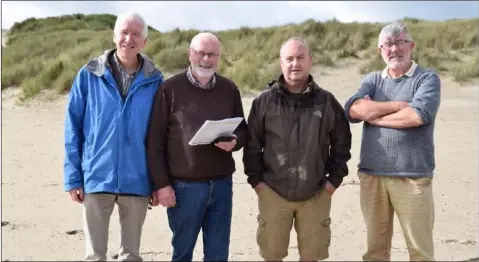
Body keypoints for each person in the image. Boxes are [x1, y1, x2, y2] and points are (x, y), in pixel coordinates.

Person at [63, 12, 163, 261]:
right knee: (95, 256)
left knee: (131, 256)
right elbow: (72, 127)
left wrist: (157, 181)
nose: (129, 39)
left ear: (145, 41)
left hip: (138, 179)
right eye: (124, 32)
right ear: (114, 35)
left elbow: (161, 135)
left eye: (136, 34)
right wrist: (73, 177)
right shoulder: (88, 75)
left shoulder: (156, 81)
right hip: (96, 176)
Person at [243, 37, 352, 261]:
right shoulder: (264, 102)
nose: (295, 64)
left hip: (316, 193)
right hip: (272, 193)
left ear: (310, 61)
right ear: (281, 63)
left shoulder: (327, 102)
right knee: (272, 254)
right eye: (289, 59)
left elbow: (342, 145)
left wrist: (332, 183)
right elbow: (252, 146)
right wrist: (258, 183)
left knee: (312, 256)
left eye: (300, 58)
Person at [146, 32, 248, 262]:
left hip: (222, 185)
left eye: (212, 54)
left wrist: (235, 142)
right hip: (184, 188)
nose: (206, 59)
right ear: (190, 54)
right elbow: (155, 142)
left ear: (219, 57)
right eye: (201, 53)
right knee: (182, 253)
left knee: (218, 254)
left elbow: (243, 130)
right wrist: (162, 185)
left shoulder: (229, 89)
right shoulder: (169, 89)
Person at [344, 21, 441, 261]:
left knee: (420, 251)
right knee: (375, 251)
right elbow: (354, 110)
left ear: (411, 46)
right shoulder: (373, 80)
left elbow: (416, 116)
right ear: (380, 51)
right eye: (387, 44)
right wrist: (397, 105)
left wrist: (375, 116)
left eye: (400, 42)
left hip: (413, 176)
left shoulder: (426, 78)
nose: (394, 49)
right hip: (372, 175)